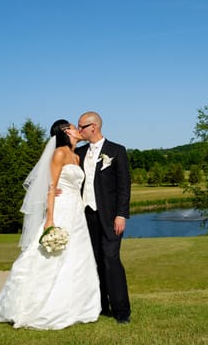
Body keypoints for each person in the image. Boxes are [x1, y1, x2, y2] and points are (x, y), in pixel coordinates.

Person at [0, 120, 101, 330]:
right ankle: (33, 306)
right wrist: (50, 219)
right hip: (61, 209)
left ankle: (78, 307)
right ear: (65, 131)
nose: (78, 130)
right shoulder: (60, 153)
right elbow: (51, 186)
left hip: (76, 211)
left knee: (77, 258)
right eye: (74, 127)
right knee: (49, 258)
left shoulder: (76, 156)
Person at [76, 111, 131, 324]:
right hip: (86, 216)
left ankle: (122, 311)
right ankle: (100, 306)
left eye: (82, 126)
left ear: (94, 127)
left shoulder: (116, 151)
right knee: (95, 262)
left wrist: (121, 215)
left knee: (111, 259)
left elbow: (124, 187)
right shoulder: (79, 153)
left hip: (110, 216)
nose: (79, 130)